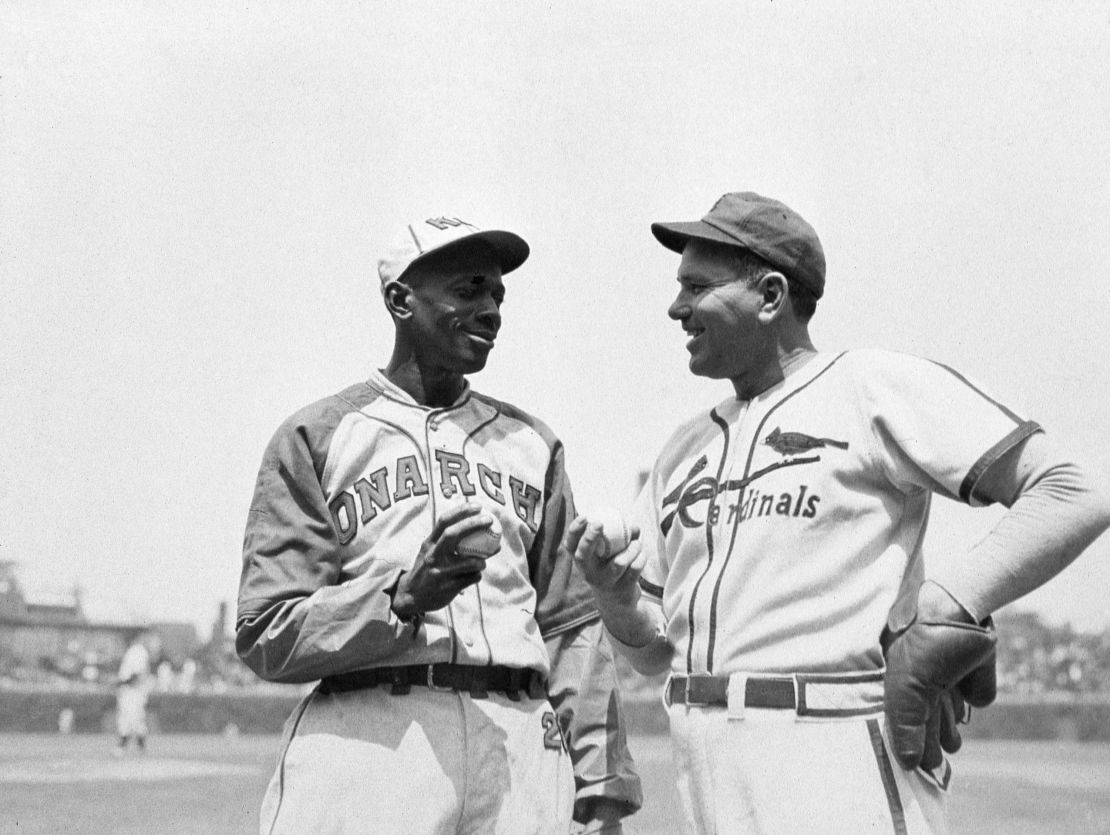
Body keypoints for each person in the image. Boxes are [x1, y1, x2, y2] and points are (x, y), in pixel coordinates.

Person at [566, 191, 1110, 834]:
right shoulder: (686, 447)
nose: (676, 307)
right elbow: (656, 653)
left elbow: (1070, 492)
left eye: (696, 287)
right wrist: (614, 595)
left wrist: (943, 606)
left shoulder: (869, 387)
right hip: (701, 757)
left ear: (770, 296)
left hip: (831, 743)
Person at [237, 214, 641, 834]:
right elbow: (266, 629)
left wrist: (602, 784)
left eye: (498, 295)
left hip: (518, 741)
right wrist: (399, 596)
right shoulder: (318, 436)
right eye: (468, 289)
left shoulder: (532, 444)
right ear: (401, 299)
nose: (491, 309)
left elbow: (571, 627)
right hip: (373, 735)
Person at [114, 630, 158, 755]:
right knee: (130, 718)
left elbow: (138, 673)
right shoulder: (134, 650)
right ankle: (139, 746)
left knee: (132, 718)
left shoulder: (138, 651)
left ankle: (125, 746)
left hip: (134, 690)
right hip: (130, 689)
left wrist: (122, 683)